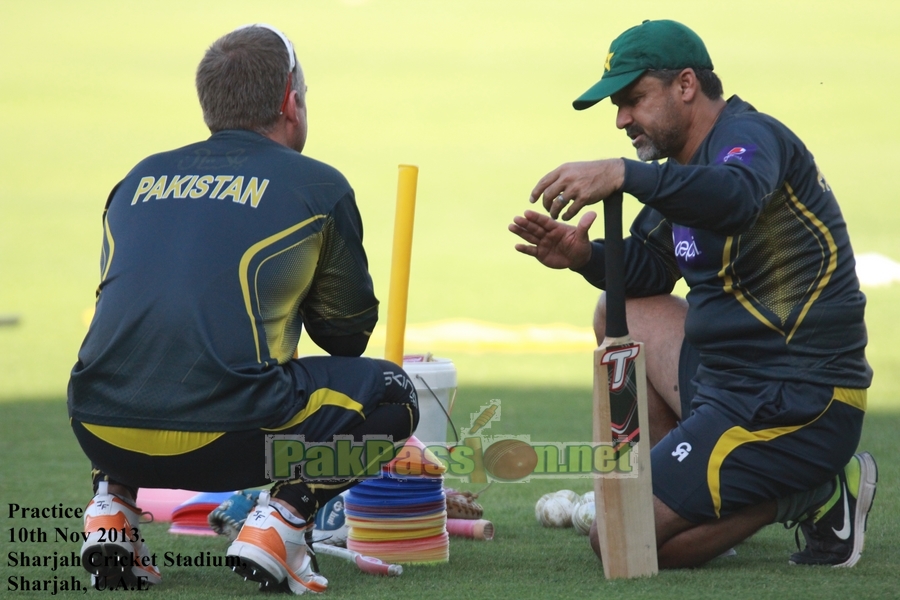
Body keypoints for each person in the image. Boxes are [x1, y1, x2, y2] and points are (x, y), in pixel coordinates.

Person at [509, 19, 877, 569]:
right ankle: (688, 488)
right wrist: (586, 257)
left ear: (686, 85)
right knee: (617, 307)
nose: (621, 119)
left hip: (798, 399)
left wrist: (624, 173)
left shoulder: (749, 139)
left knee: (618, 540)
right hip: (730, 383)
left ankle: (814, 490)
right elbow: (650, 270)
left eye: (634, 99)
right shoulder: (684, 169)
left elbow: (736, 198)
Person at [68, 24, 419, 594]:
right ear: (290, 101)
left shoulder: (136, 177)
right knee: (393, 394)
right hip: (232, 437)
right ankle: (281, 522)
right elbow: (346, 338)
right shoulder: (316, 184)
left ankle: (111, 512)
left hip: (97, 427)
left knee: (138, 356)